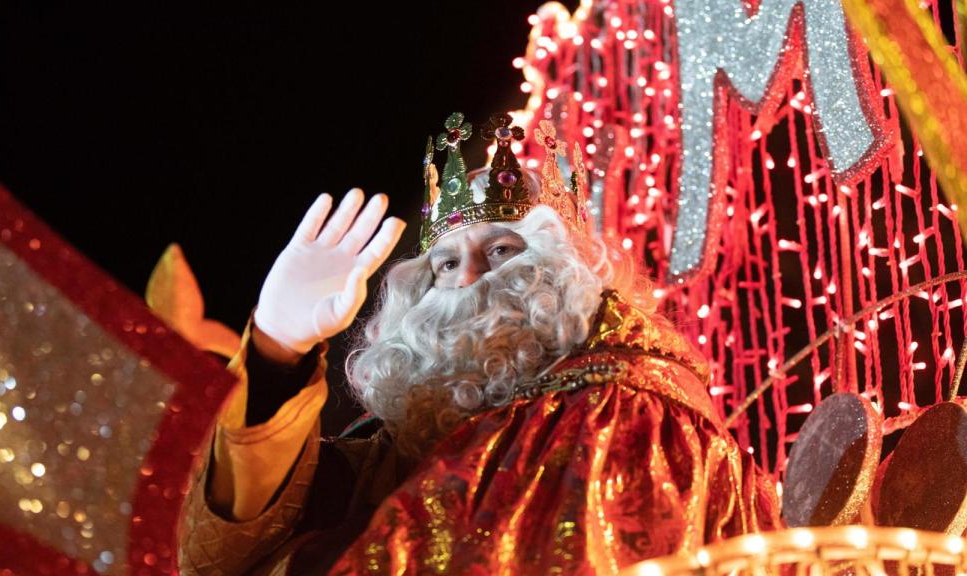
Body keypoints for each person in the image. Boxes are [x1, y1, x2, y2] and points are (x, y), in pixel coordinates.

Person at [177, 113, 779, 575]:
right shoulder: (394, 450)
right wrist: (277, 355)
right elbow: (220, 552)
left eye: (499, 252)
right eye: (443, 263)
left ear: (562, 273)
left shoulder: (619, 410)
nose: (466, 279)